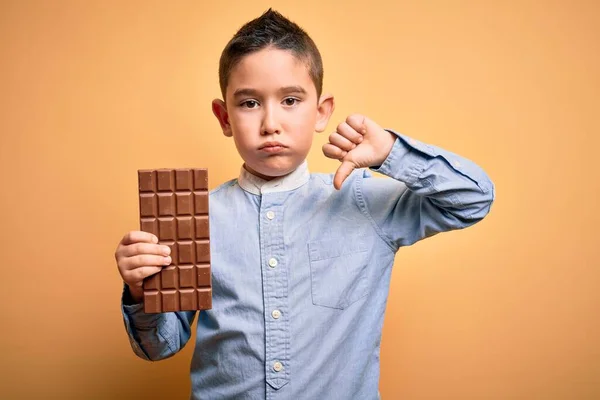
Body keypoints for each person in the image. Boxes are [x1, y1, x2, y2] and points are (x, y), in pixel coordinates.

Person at [114, 8, 495, 400]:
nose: (270, 123)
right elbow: (159, 346)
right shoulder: (192, 218)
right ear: (223, 116)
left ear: (322, 111)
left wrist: (392, 154)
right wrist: (141, 293)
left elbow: (473, 199)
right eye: (249, 104)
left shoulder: (362, 198)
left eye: (291, 100)